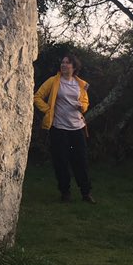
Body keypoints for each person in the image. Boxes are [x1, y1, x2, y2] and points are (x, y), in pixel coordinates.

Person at [34, 52, 94, 203]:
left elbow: (85, 103)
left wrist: (82, 107)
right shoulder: (54, 81)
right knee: (61, 161)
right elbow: (37, 97)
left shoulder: (80, 84)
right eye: (62, 62)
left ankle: (86, 193)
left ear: (74, 67)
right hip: (59, 128)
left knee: (81, 161)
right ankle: (65, 192)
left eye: (67, 63)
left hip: (77, 128)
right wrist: (48, 110)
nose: (64, 65)